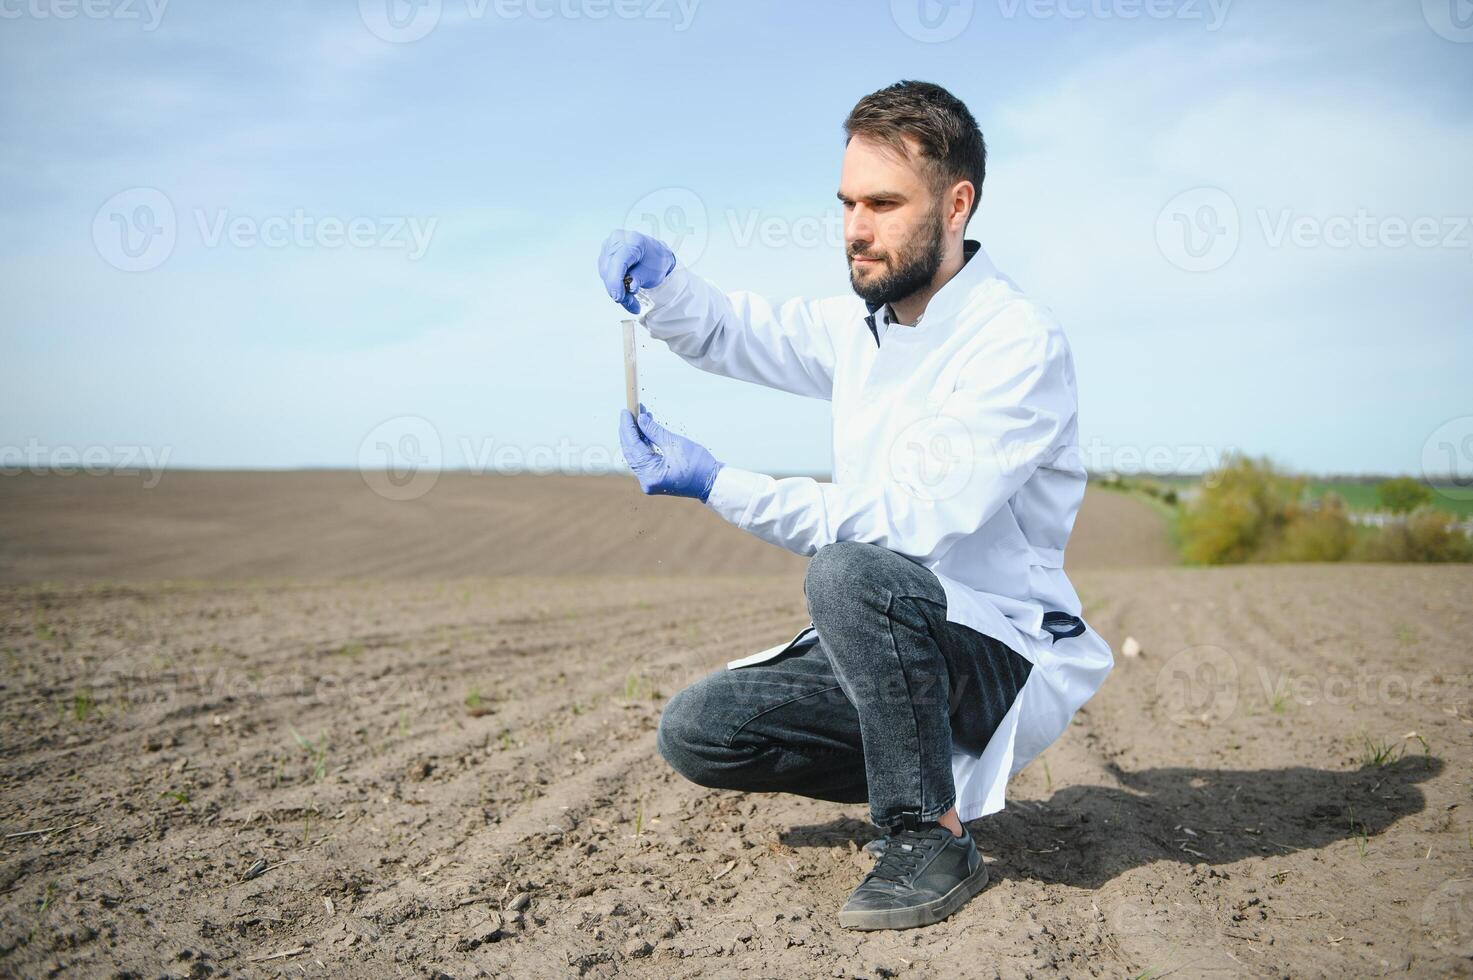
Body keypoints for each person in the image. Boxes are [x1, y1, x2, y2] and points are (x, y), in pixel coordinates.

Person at [596, 80, 1113, 932]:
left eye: (881, 203)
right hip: (894, 647)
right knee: (701, 729)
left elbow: (905, 525)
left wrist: (717, 483)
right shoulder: (862, 329)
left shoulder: (1014, 343)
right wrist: (663, 286)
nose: (854, 229)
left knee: (852, 571)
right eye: (845, 203)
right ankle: (913, 766)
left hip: (997, 649)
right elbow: (733, 332)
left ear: (956, 204)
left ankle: (927, 834)